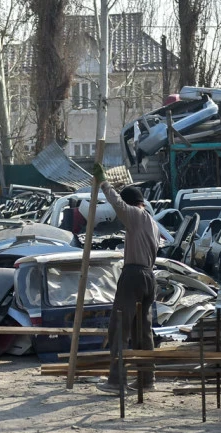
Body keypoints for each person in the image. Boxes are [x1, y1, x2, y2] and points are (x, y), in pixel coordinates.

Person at [92, 163, 159, 393]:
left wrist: (103, 183)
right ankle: (146, 379)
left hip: (133, 275)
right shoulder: (152, 222)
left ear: (132, 204)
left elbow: (117, 203)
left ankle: (116, 380)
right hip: (149, 276)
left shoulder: (135, 215)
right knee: (143, 332)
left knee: (119, 327)